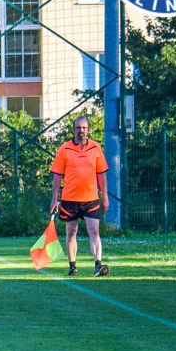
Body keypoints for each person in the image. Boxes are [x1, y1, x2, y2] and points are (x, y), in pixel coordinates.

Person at [48, 116, 109, 277]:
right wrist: (54, 199)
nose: (81, 130)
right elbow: (57, 175)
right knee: (71, 232)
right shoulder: (65, 149)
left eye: (84, 128)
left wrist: (105, 197)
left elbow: (101, 174)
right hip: (70, 199)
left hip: (91, 199)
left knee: (94, 231)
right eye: (78, 128)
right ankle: (72, 267)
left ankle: (98, 265)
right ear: (73, 129)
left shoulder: (95, 148)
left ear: (88, 130)